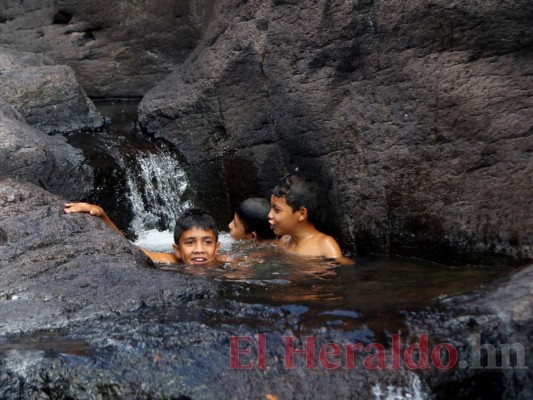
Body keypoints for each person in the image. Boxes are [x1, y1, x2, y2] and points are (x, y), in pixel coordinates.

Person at [64, 203, 221, 266]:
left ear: (217, 248)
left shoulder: (225, 262)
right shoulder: (171, 261)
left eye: (207, 242)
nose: (199, 249)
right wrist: (102, 215)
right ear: (177, 250)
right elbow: (130, 248)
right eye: (190, 242)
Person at [268, 174, 353, 264]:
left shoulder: (325, 245)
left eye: (277, 210)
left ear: (301, 213)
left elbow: (344, 268)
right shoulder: (285, 240)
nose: (269, 215)